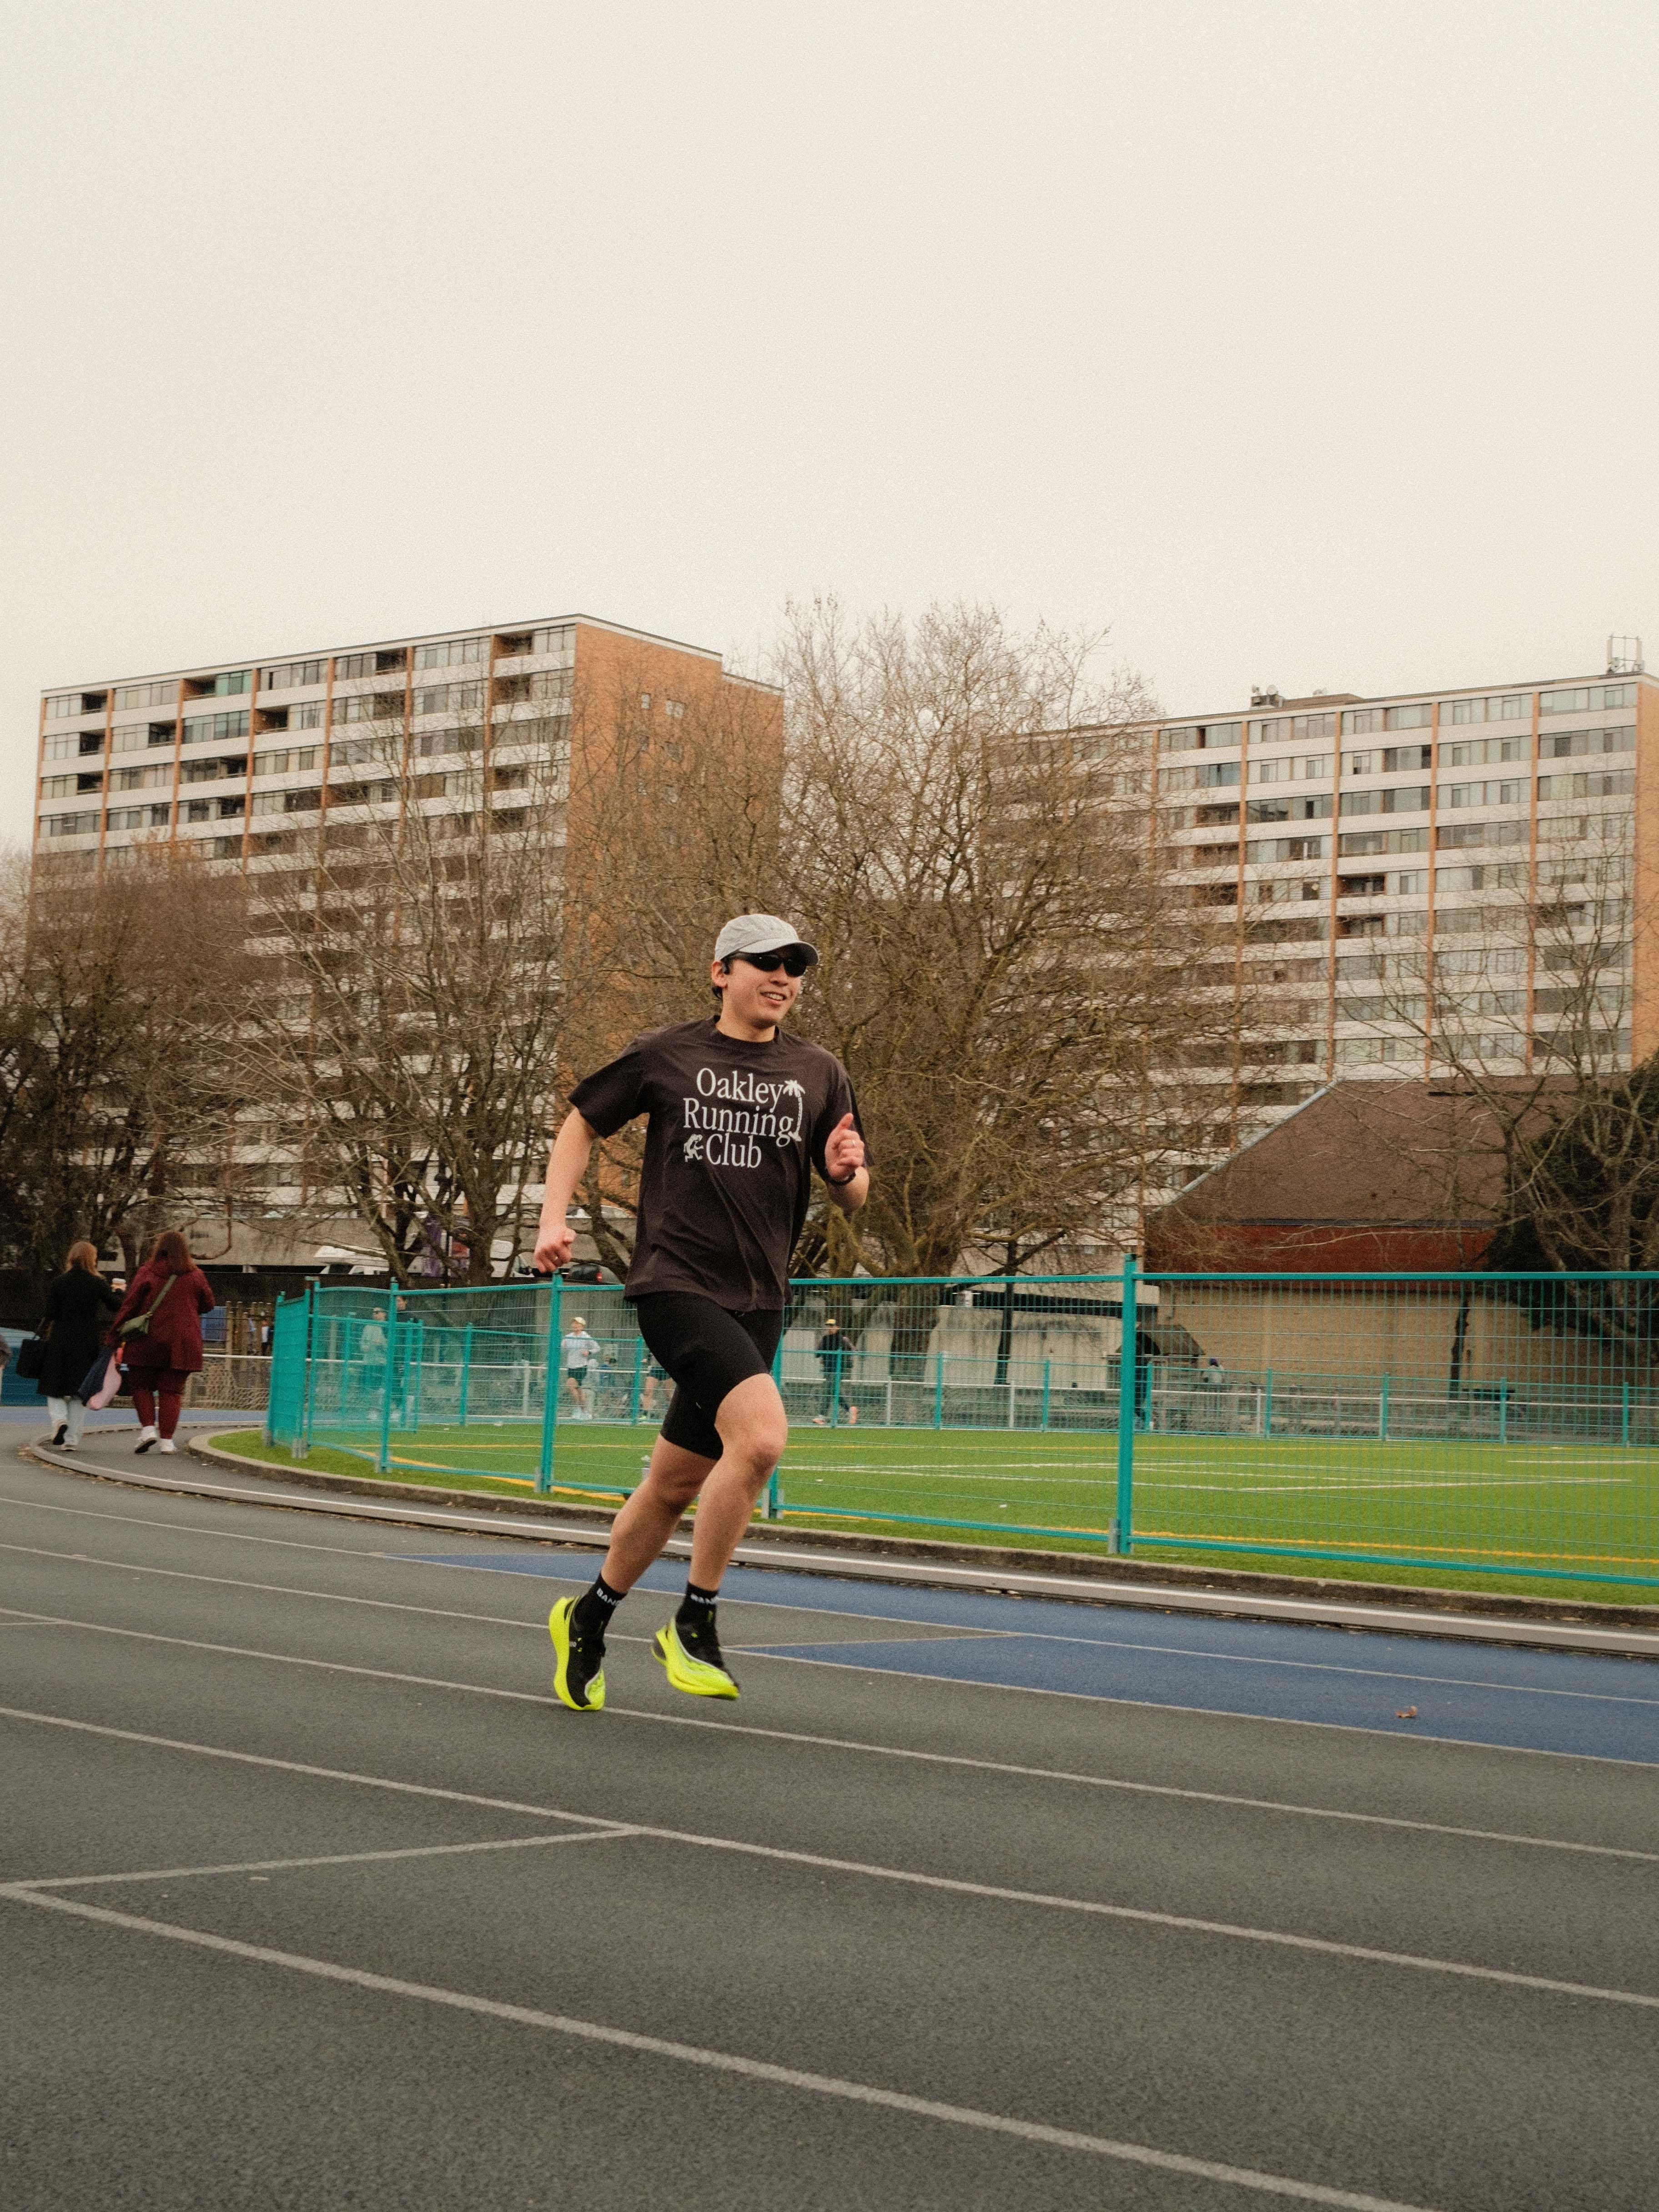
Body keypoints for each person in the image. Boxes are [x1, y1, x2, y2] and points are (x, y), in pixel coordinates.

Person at [536, 912, 869, 1709]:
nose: (783, 976)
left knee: (674, 1481)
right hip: (675, 1283)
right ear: (721, 971)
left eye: (795, 965)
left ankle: (588, 1614)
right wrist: (555, 1217)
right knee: (759, 1441)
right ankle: (694, 1619)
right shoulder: (666, 1052)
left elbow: (854, 1188)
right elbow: (580, 1121)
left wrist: (844, 1172)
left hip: (760, 1297)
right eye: (766, 962)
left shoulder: (819, 1071)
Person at [106, 1229, 216, 1455]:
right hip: (183, 1343)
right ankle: (167, 1442)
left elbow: (131, 1304)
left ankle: (148, 1430)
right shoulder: (196, 1275)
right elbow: (208, 1304)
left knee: (141, 1386)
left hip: (148, 1339)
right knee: (172, 1392)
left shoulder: (148, 1272)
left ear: (160, 1249)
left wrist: (115, 1334)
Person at [37, 1240, 121, 1449]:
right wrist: (119, 1291)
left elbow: (50, 1313)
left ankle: (59, 1421)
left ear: (72, 1258)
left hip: (61, 1339)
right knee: (80, 1391)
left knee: (53, 1386)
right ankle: (72, 1441)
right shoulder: (98, 1283)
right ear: (91, 1259)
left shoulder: (59, 1282)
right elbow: (116, 1307)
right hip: (87, 1341)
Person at [812, 1315, 858, 1426]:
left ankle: (822, 1417)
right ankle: (851, 1409)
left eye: (832, 1326)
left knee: (828, 1391)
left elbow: (853, 1350)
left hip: (838, 1370)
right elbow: (817, 1353)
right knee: (834, 1392)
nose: (830, 1328)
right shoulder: (825, 1339)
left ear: (838, 1327)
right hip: (828, 1370)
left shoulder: (843, 1339)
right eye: (829, 1326)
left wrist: (842, 1356)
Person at [561, 1315, 598, 1418]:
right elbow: (561, 1348)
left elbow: (597, 1348)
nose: (575, 1325)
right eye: (574, 1323)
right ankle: (585, 1412)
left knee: (570, 1385)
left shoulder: (586, 1337)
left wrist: (589, 1352)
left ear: (582, 1326)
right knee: (579, 1390)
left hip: (581, 1367)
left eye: (578, 1324)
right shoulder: (568, 1337)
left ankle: (577, 1409)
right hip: (571, 1367)